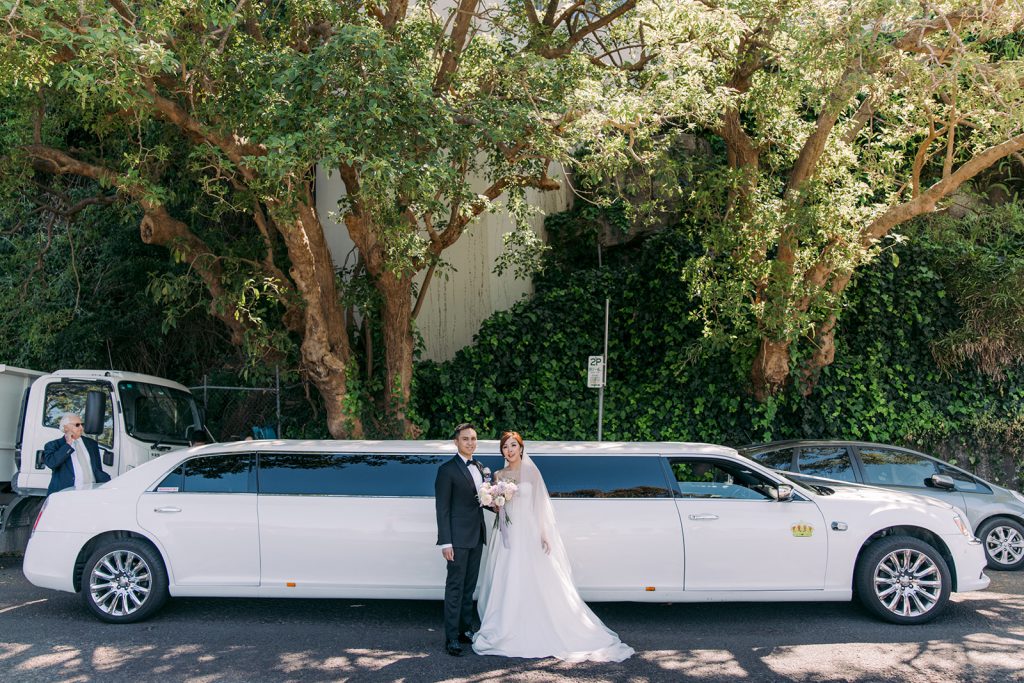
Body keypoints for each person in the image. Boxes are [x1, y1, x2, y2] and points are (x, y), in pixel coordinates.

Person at [472, 431, 634, 662]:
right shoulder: (498, 475)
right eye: (505, 447)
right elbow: (498, 506)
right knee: (506, 575)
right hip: (506, 533)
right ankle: (505, 622)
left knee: (534, 576)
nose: (509, 450)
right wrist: (495, 501)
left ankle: (539, 623)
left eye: (513, 445)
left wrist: (544, 534)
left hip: (527, 532)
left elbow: (539, 506)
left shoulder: (531, 472)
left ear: (521, 448)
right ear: (502, 451)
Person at [434, 422, 489, 657]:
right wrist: (446, 542)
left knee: (469, 587)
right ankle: (451, 638)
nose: (470, 442)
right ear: (456, 442)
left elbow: (482, 502)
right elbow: (442, 508)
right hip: (457, 539)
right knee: (455, 587)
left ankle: (466, 630)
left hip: (476, 536)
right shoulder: (447, 470)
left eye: (474, 438)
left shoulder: (479, 466)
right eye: (465, 439)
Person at [43, 413, 111, 495]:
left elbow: (97, 469)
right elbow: (52, 463)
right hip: (65, 494)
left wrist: (108, 484)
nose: (81, 428)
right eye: (77, 425)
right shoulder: (53, 445)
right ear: (66, 428)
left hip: (90, 492)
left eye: (82, 424)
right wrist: (68, 445)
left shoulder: (91, 443)